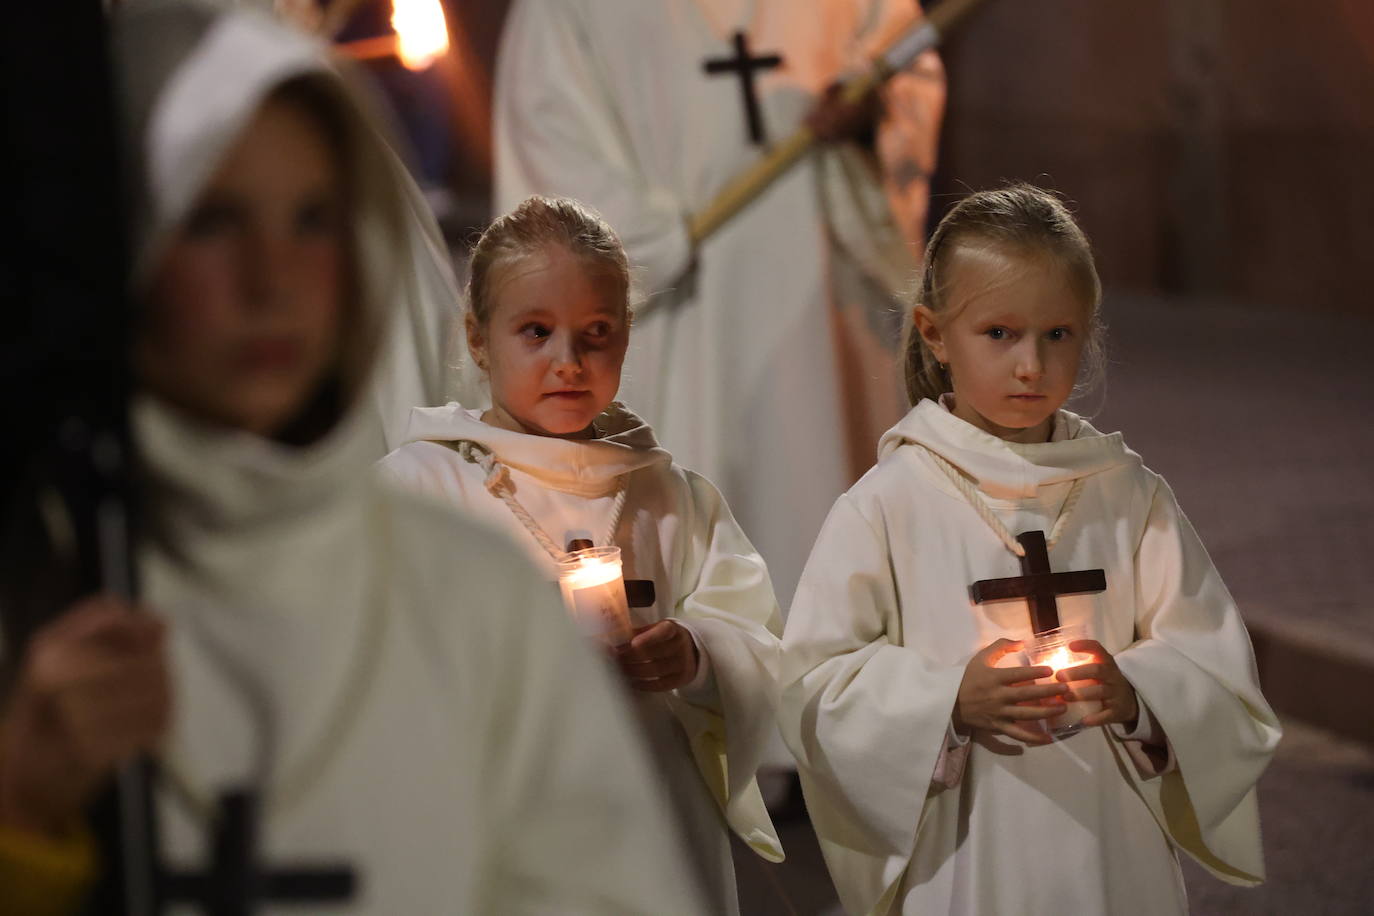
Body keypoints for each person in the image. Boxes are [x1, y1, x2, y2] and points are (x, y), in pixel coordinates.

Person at [0, 4, 705, 913]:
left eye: (311, 221)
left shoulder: (470, 595)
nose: (270, 280)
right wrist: (23, 817)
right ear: (132, 245)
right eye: (215, 220)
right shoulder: (48, 594)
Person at [778, 184, 1282, 915]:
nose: (1031, 366)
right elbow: (813, 687)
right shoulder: (888, 502)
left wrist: (1138, 695)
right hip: (969, 856)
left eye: (1057, 335)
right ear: (933, 333)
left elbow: (1216, 667)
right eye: (999, 333)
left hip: (1113, 853)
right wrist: (947, 702)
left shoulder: (1126, 492)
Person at [379, 195, 785, 915]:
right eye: (535, 332)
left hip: (656, 821)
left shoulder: (667, 494)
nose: (568, 362)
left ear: (627, 337)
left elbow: (758, 640)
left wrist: (695, 657)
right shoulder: (421, 488)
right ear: (478, 339)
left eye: (596, 334)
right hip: (506, 823)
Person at [493, 0, 946, 610]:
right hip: (669, 317)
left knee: (820, 528)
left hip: (818, 309)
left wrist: (873, 115)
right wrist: (639, 243)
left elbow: (906, 67)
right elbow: (547, 137)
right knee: (676, 560)